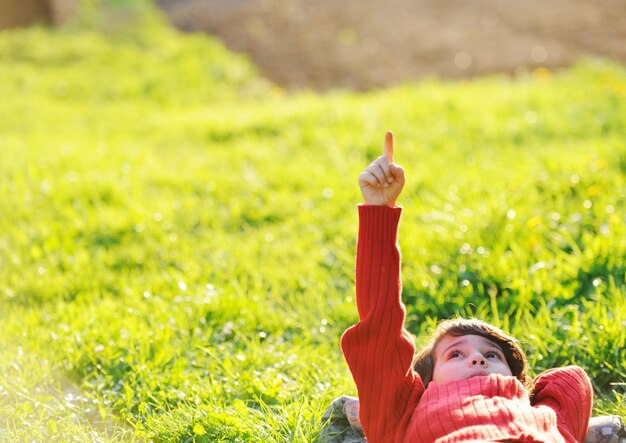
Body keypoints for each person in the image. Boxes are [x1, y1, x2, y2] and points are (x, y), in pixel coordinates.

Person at [341, 131, 593, 443]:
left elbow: (570, 379)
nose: (477, 359)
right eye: (455, 355)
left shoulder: (545, 419)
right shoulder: (404, 415)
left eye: (492, 354)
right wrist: (379, 209)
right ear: (425, 381)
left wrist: (520, 393)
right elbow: (380, 324)